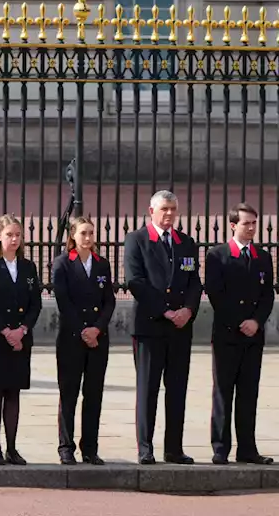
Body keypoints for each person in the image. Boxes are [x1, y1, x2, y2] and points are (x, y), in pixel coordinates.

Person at [125, 190, 200, 465]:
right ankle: (145, 447)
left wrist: (188, 310)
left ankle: (174, 448)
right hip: (150, 326)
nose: (169, 214)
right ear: (151, 210)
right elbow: (136, 281)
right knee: (148, 389)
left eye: (173, 209)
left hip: (180, 328)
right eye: (164, 209)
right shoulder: (137, 240)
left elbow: (194, 282)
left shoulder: (186, 243)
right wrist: (165, 310)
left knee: (177, 388)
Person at [204, 203, 275, 465]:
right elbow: (216, 294)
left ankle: (247, 448)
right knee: (223, 391)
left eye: (254, 223)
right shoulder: (217, 255)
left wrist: (256, 321)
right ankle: (220, 447)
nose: (252, 228)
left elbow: (268, 294)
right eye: (247, 223)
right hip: (227, 335)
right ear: (233, 225)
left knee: (249, 392)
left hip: (253, 337)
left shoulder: (262, 257)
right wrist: (239, 322)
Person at [0, 215, 42, 466]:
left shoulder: (28, 268)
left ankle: (12, 448)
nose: (14, 240)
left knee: (13, 392)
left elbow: (35, 302)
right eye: (9, 235)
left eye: (18, 235)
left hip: (21, 339)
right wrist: (6, 331)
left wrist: (22, 330)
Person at [50, 216, 114, 466]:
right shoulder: (62, 263)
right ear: (73, 236)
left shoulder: (102, 264)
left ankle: (90, 447)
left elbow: (109, 300)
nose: (88, 238)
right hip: (71, 338)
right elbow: (63, 301)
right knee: (69, 393)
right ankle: (66, 447)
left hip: (98, 339)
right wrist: (83, 331)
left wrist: (97, 329)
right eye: (83, 233)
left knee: (94, 394)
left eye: (91, 233)